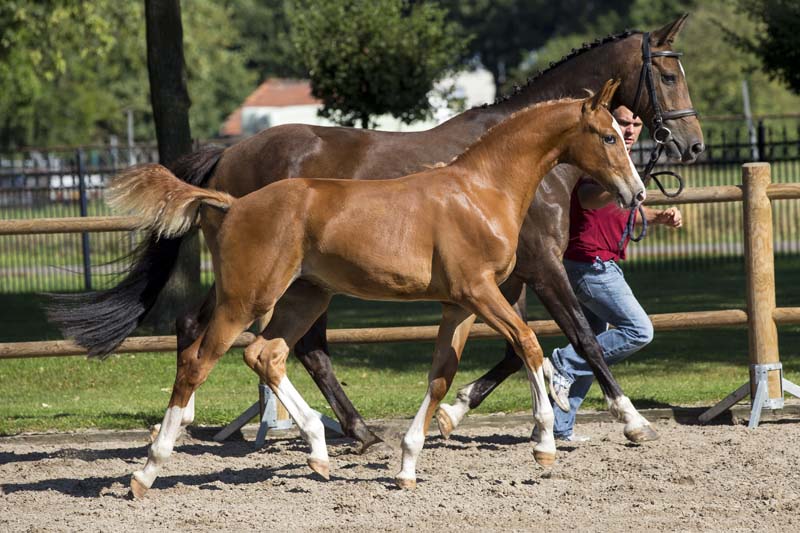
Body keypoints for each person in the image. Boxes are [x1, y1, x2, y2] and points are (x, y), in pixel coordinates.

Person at [543, 105, 683, 442]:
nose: (632, 129)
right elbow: (589, 199)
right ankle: (564, 363)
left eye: (636, 124)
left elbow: (618, 214)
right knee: (638, 330)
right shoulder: (598, 158)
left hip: (598, 263)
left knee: (594, 346)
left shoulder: (620, 160)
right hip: (589, 265)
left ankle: (560, 429)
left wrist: (655, 216)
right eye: (624, 122)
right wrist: (618, 184)